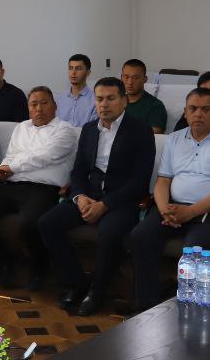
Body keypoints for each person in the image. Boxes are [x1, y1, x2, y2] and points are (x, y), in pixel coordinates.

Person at [38, 76, 154, 316]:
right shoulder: (90, 129)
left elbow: (140, 180)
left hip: (121, 200)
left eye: (110, 99)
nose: (104, 104)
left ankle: (97, 292)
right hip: (89, 195)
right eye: (99, 99)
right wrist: (79, 196)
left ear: (124, 101)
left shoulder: (140, 131)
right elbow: (78, 171)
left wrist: (105, 204)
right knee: (47, 223)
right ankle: (76, 282)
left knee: (109, 234)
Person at [129, 87, 210, 312]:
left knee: (196, 247)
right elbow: (163, 181)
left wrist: (190, 212)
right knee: (140, 236)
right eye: (193, 109)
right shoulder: (174, 139)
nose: (198, 114)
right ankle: (147, 306)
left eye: (205, 109)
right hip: (173, 207)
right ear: (185, 112)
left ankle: (194, 309)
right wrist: (165, 209)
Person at [0, 86, 78, 289]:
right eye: (33, 104)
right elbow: (11, 154)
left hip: (43, 189)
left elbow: (46, 156)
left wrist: (11, 167)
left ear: (55, 105)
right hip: (11, 184)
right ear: (28, 108)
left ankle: (40, 265)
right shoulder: (22, 128)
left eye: (44, 103)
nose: (39, 108)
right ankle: (3, 260)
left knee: (31, 224)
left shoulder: (66, 130)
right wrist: (1, 169)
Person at [120, 59, 167, 133]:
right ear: (121, 78)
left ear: (145, 79)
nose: (130, 82)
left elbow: (154, 135)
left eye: (135, 78)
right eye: (126, 77)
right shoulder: (116, 102)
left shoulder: (155, 106)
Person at [56, 53, 98, 127]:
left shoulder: (95, 99)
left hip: (84, 134)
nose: (73, 72)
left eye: (78, 68)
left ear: (88, 72)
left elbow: (93, 128)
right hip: (61, 134)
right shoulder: (60, 98)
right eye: (70, 68)